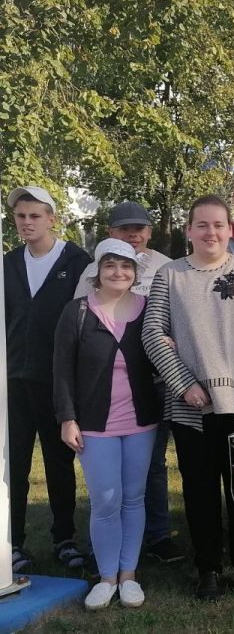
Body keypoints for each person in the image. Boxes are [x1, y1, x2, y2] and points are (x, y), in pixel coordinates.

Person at [142, 195, 234, 601]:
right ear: (189, 230)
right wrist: (183, 382)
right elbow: (152, 334)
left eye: (218, 224)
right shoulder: (170, 276)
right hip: (193, 406)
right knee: (200, 492)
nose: (211, 232)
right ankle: (208, 569)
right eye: (202, 225)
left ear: (229, 228)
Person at [53, 239, 161, 610]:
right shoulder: (77, 312)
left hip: (140, 422)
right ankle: (106, 577)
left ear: (135, 273)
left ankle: (128, 575)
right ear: (98, 271)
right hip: (96, 423)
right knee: (104, 501)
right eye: (111, 266)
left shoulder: (147, 309)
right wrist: (67, 418)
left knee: (132, 498)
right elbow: (62, 370)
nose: (119, 273)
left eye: (126, 267)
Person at [74, 201, 184, 564]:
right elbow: (83, 327)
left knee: (151, 466)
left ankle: (156, 536)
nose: (133, 234)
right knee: (106, 478)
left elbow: (179, 321)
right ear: (110, 233)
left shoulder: (167, 267)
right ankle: (104, 544)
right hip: (102, 388)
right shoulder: (93, 270)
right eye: (124, 228)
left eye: (139, 228)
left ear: (150, 232)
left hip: (153, 382)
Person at [4, 185, 92, 574]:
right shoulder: (7, 264)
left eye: (34, 215)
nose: (26, 222)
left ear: (52, 218)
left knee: (58, 464)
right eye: (21, 216)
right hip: (14, 381)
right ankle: (13, 543)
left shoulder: (75, 261)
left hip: (57, 380)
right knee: (14, 466)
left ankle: (64, 538)